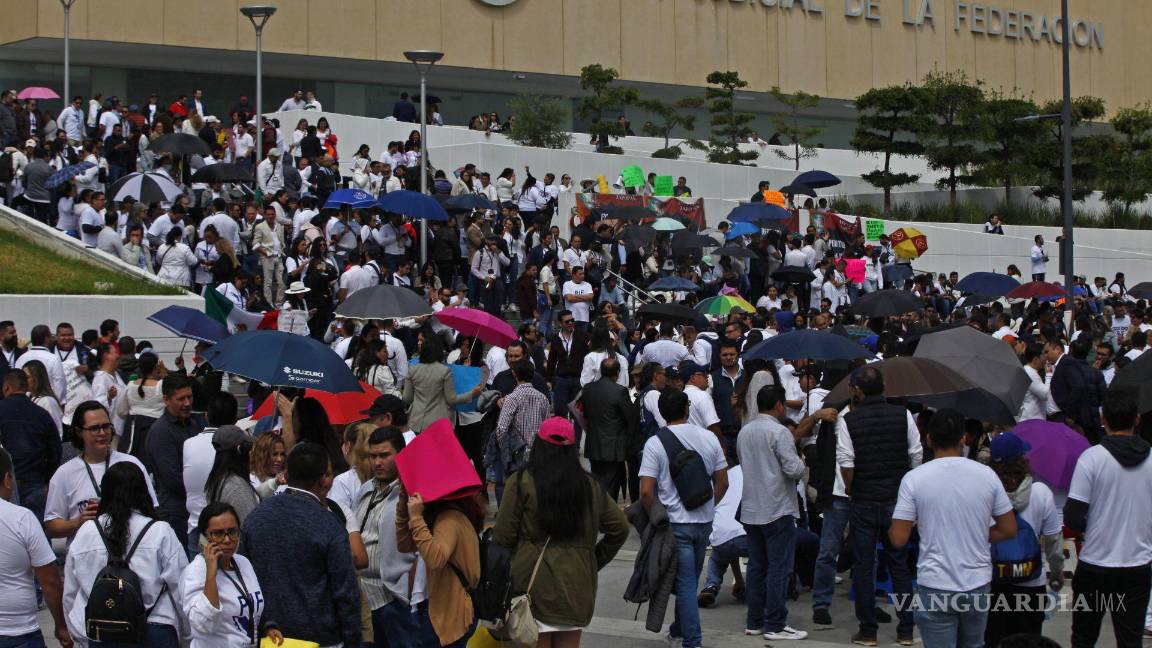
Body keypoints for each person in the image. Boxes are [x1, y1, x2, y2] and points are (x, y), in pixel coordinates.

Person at [493, 417, 630, 648]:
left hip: (530, 585)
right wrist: (592, 559)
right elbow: (620, 528)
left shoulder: (521, 482)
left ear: (538, 446)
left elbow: (502, 538)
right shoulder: (591, 486)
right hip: (576, 585)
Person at [889, 409, 1017, 648]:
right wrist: (977, 534)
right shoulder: (986, 475)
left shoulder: (914, 479)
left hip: (935, 583)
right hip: (977, 582)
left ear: (928, 439)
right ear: (963, 439)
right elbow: (1009, 529)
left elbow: (898, 538)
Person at [241, 442, 361, 647]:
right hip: (321, 638)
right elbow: (345, 591)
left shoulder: (256, 517)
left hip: (271, 636)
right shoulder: (328, 523)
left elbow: (244, 577)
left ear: (286, 474)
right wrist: (352, 640)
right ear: (324, 478)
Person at [836, 366, 921, 646]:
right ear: (884, 387)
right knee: (900, 565)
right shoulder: (903, 415)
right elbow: (915, 455)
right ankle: (906, 630)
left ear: (857, 390)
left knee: (863, 566)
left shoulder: (849, 420)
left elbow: (846, 463)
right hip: (897, 501)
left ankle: (868, 631)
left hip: (863, 499)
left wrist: (851, 487)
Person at [62, 461, 188, 647]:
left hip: (101, 633)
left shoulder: (86, 531)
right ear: (143, 491)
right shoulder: (160, 531)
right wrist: (186, 635)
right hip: (154, 630)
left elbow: (70, 594)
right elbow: (181, 588)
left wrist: (79, 636)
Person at [639, 390, 728, 648]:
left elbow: (646, 491)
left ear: (662, 413)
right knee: (689, 580)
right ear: (687, 410)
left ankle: (692, 641)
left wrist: (657, 517)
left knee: (686, 584)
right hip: (704, 523)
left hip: (675, 524)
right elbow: (722, 482)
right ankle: (679, 630)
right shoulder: (709, 438)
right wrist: (709, 506)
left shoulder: (656, 443)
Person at [1064, 386, 1152, 648]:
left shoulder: (1091, 459)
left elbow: (1073, 517)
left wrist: (1095, 526)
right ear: (1137, 419)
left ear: (1103, 420)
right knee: (1130, 640)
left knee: (1083, 638)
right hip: (1137, 565)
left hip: (1095, 565)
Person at [737, 386, 809, 640]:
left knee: (757, 567)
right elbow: (794, 470)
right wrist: (802, 461)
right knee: (779, 568)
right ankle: (775, 624)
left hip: (752, 508)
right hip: (777, 507)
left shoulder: (745, 432)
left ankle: (754, 620)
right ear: (779, 405)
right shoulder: (779, 432)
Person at [983, 432, 1064, 648]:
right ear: (1022, 459)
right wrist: (1056, 573)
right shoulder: (1041, 493)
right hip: (1031, 581)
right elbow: (1054, 541)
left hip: (994, 581)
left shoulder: (986, 491)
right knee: (1029, 641)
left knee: (993, 639)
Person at [44, 401, 157, 540]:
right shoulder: (64, 474)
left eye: (106, 426)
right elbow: (51, 526)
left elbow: (152, 509)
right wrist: (77, 523)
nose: (102, 433)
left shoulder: (132, 464)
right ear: (79, 432)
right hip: (87, 553)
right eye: (94, 428)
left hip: (130, 551)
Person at [182, 502, 284, 647]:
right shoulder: (195, 572)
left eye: (232, 531)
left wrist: (266, 627)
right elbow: (203, 625)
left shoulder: (243, 563)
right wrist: (211, 574)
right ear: (203, 538)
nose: (227, 540)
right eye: (217, 534)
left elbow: (250, 604)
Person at [0, 446, 72, 647]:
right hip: (19, 632)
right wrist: (61, 626)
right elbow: (50, 581)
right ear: (7, 479)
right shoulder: (22, 519)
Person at [145, 375, 203, 550]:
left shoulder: (193, 424)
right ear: (166, 400)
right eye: (181, 399)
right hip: (176, 513)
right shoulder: (160, 432)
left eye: (189, 397)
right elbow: (172, 479)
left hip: (196, 510)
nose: (187, 403)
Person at [0, 369, 61, 521]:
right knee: (36, 531)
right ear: (26, 387)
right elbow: (55, 451)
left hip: (3, 484)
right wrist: (48, 481)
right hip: (35, 483)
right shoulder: (42, 414)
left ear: (6, 387)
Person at [579, 356, 639, 501]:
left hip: (594, 444)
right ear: (617, 373)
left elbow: (585, 414)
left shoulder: (588, 389)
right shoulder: (620, 391)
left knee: (599, 482)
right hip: (613, 446)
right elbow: (631, 417)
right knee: (610, 487)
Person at [403, 336, 482, 433]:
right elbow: (451, 399)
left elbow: (407, 398)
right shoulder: (444, 371)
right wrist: (472, 393)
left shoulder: (412, 369)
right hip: (437, 424)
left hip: (415, 422)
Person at [492, 360, 552, 482]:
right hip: (536, 454)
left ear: (514, 374)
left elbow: (501, 429)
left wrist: (505, 450)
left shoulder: (511, 398)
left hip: (515, 455)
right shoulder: (543, 398)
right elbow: (547, 428)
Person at [204, 425, 260, 524]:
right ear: (240, 450)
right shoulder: (237, 487)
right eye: (248, 448)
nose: (250, 453)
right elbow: (249, 526)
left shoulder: (218, 478)